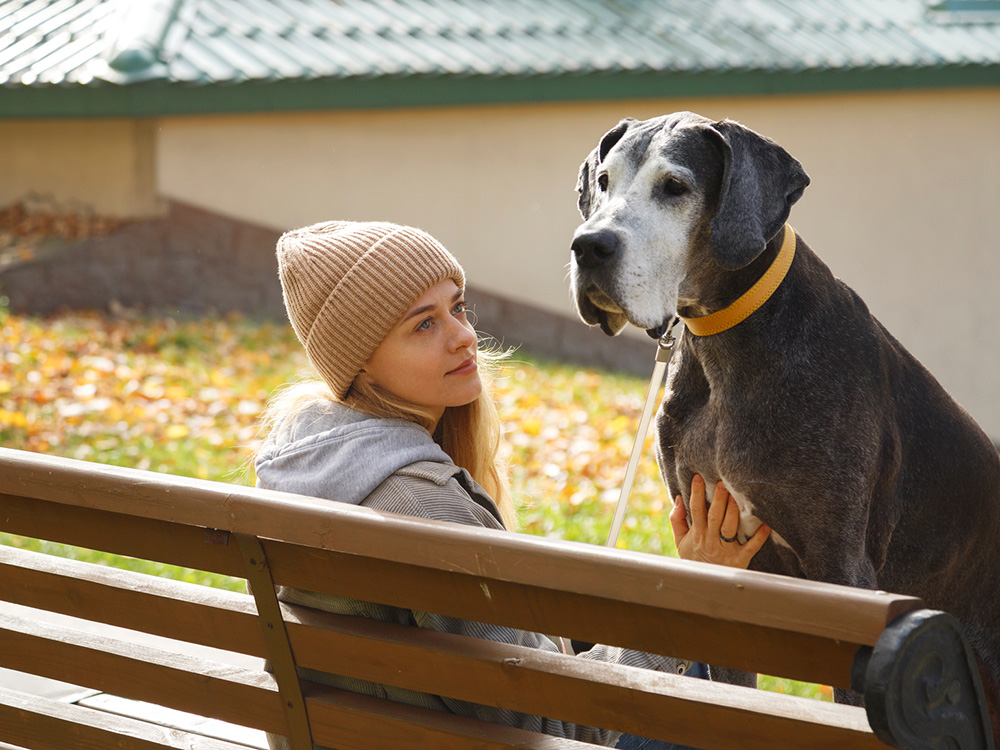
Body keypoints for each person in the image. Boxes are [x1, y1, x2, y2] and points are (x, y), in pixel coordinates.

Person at [254, 220, 771, 750]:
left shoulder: (306, 470)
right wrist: (695, 595)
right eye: (423, 326)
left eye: (456, 308)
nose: (464, 336)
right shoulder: (418, 502)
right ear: (358, 363)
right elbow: (556, 730)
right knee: (713, 694)